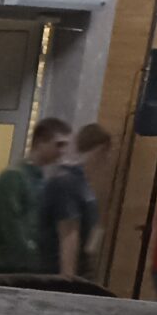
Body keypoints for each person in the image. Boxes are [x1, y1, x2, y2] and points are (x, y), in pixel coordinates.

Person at [0, 116, 69, 275]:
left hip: (18, 263)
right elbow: (10, 225)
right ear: (40, 142)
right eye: (59, 144)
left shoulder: (40, 179)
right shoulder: (14, 177)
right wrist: (33, 260)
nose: (62, 151)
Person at [43, 121, 112, 282]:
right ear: (100, 149)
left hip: (81, 267)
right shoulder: (67, 182)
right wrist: (68, 279)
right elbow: (68, 233)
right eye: (107, 153)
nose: (108, 159)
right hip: (56, 271)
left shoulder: (83, 184)